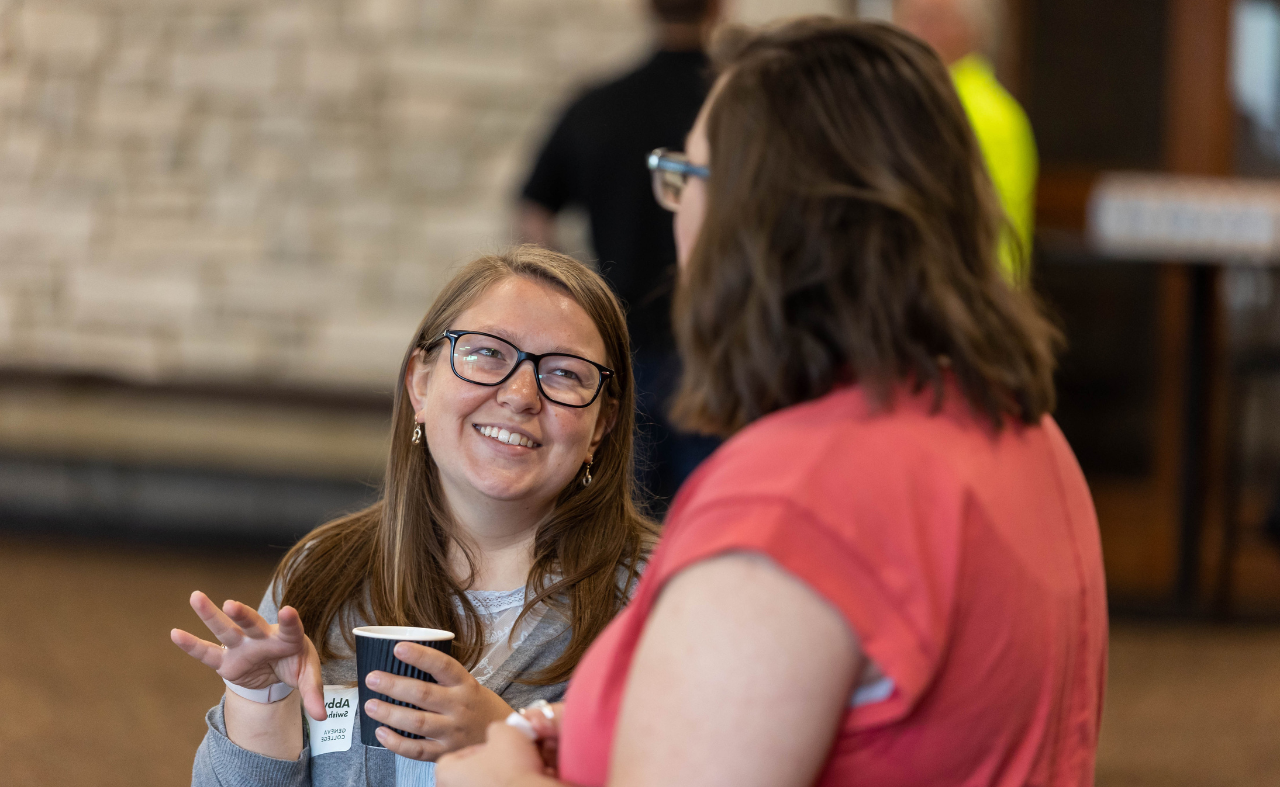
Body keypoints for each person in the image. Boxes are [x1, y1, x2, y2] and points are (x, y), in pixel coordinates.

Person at [438, 18, 1107, 787]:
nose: (676, 209)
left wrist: (495, 779)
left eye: (684, 177)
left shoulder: (794, 501)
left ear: (753, 219)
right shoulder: (1023, 429)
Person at [171, 246, 657, 787]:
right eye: (488, 354)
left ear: (601, 425)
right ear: (421, 384)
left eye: (565, 373)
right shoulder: (324, 571)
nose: (521, 396)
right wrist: (259, 702)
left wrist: (511, 736)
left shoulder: (656, 602)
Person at [518, 0, 723, 508]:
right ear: (721, 9)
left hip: (620, 344)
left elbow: (533, 213)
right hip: (716, 344)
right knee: (706, 517)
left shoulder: (598, 103)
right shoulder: (733, 110)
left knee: (619, 524)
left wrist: (572, 306)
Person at [894, 0, 1037, 283]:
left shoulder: (956, 107)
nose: (908, 30)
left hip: (964, 291)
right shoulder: (992, 105)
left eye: (926, 19)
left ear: (966, 30)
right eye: (904, 17)